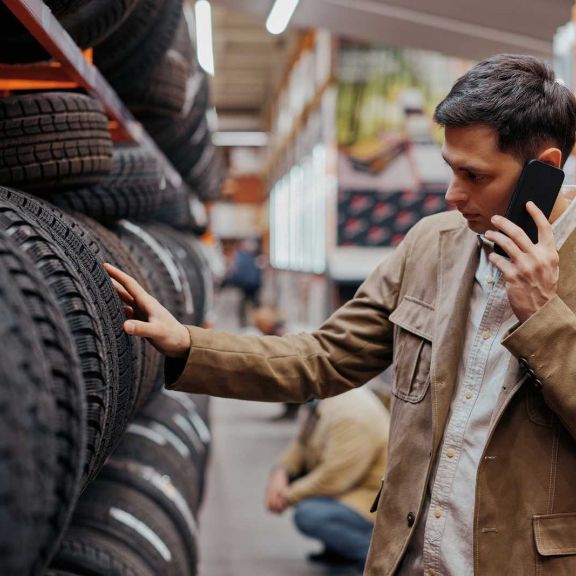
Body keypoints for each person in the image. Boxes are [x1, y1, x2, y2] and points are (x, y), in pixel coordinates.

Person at [105, 54, 576, 575]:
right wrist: (190, 344)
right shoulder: (431, 245)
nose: (452, 193)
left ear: (545, 171)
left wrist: (542, 320)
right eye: (449, 168)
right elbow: (324, 356)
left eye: (474, 174)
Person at [265, 388, 390, 572]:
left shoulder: (350, 414)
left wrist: (287, 496)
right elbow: (301, 444)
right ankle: (339, 549)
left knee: (308, 514)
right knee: (302, 487)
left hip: (372, 502)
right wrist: (280, 472)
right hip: (353, 486)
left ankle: (374, 557)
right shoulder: (325, 401)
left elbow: (335, 479)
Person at [252, 305, 300, 420]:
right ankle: (290, 410)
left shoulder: (278, 333)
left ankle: (291, 410)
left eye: (259, 326)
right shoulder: (276, 330)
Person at [228, 239, 262, 327]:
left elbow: (235, 270)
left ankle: (248, 322)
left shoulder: (241, 256)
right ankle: (255, 322)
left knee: (247, 302)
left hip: (248, 283)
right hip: (252, 284)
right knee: (251, 303)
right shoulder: (251, 256)